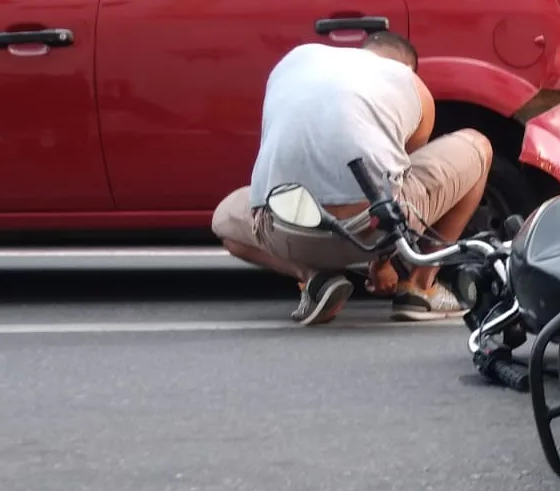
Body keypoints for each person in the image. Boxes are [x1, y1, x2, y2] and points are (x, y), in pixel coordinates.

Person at [211, 31, 492, 325]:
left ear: (363, 52)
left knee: (225, 218)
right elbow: (395, 181)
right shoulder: (409, 82)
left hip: (286, 233)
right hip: (369, 234)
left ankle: (315, 278)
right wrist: (381, 263)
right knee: (479, 145)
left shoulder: (292, 63)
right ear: (407, 66)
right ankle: (420, 288)